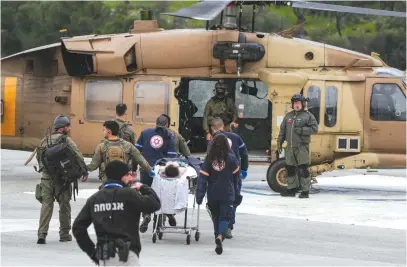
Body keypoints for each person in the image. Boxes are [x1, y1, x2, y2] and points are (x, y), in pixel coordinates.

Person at [72, 160, 161, 266]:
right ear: (122, 176)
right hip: (127, 255)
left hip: (105, 256)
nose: (130, 178)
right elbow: (154, 204)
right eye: (128, 174)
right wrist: (142, 187)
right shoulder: (128, 194)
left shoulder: (95, 199)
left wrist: (92, 253)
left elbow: (78, 227)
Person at [35, 115, 87, 244]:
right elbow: (78, 155)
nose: (69, 129)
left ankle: (42, 233)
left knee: (46, 204)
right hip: (63, 180)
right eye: (68, 126)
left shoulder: (44, 141)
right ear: (63, 127)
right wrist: (83, 171)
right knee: (64, 205)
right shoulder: (67, 141)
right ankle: (64, 234)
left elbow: (39, 158)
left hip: (46, 178)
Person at [196, 134, 241, 255]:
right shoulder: (231, 159)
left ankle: (218, 236)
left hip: (213, 194)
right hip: (227, 194)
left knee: (216, 217)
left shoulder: (209, 159)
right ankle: (220, 237)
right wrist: (237, 194)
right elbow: (237, 179)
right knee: (225, 217)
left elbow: (202, 179)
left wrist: (199, 196)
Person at [136, 115, 177, 232]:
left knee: (146, 193)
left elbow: (136, 151)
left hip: (146, 169)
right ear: (167, 125)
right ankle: (166, 216)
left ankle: (146, 215)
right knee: (163, 193)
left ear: (156, 123)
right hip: (161, 170)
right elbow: (172, 156)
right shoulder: (169, 135)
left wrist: (134, 166)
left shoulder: (145, 133)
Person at [209, 117, 248, 239]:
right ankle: (228, 227)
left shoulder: (212, 140)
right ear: (223, 126)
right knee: (232, 200)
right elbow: (244, 153)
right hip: (234, 173)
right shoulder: (235, 137)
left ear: (212, 128)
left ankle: (220, 228)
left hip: (217, 175)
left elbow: (209, 159)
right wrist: (244, 169)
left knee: (217, 201)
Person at [277, 93, 318, 198]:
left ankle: (305, 191)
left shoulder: (308, 116)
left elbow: (315, 129)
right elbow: (282, 130)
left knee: (303, 169)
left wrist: (303, 130)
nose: (296, 105)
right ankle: (291, 189)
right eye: (295, 103)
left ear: (303, 104)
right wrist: (279, 142)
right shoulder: (288, 116)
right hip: (290, 147)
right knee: (290, 168)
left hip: (302, 147)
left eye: (298, 102)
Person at [87, 120, 154, 183]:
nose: (103, 132)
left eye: (104, 130)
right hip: (123, 180)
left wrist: (83, 170)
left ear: (109, 132)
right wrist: (150, 170)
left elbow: (94, 165)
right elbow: (140, 160)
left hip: (108, 180)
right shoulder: (128, 145)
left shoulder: (101, 146)